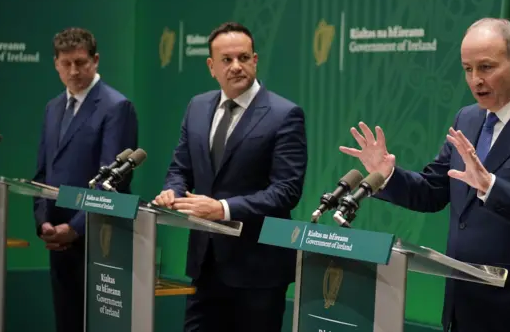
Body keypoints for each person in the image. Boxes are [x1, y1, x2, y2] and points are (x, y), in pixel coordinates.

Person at [340, 18, 510, 332]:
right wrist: (388, 175)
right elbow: (432, 190)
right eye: (468, 69)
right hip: (462, 308)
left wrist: (493, 187)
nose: (476, 80)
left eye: (486, 67)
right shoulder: (467, 119)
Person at [154, 22, 308, 332]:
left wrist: (222, 209)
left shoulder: (285, 114)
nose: (236, 66)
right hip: (205, 264)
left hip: (257, 270)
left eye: (243, 58)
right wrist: (172, 191)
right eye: (227, 60)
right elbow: (180, 168)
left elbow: (286, 191)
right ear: (212, 66)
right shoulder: (197, 107)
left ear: (255, 60)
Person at [32, 27, 139, 332]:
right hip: (57, 240)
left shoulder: (116, 107)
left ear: (96, 60)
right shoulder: (53, 108)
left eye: (81, 62)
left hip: (98, 239)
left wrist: (74, 229)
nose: (74, 71)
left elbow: (114, 183)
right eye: (66, 64)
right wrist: (44, 225)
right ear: (55, 64)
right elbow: (41, 174)